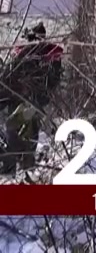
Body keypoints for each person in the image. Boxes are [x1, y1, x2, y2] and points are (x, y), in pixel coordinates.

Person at [0, 23, 64, 173]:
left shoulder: (47, 55)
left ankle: (18, 165)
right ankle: (20, 165)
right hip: (17, 98)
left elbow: (50, 83)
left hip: (30, 101)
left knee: (16, 128)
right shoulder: (24, 53)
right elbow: (10, 76)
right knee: (18, 130)